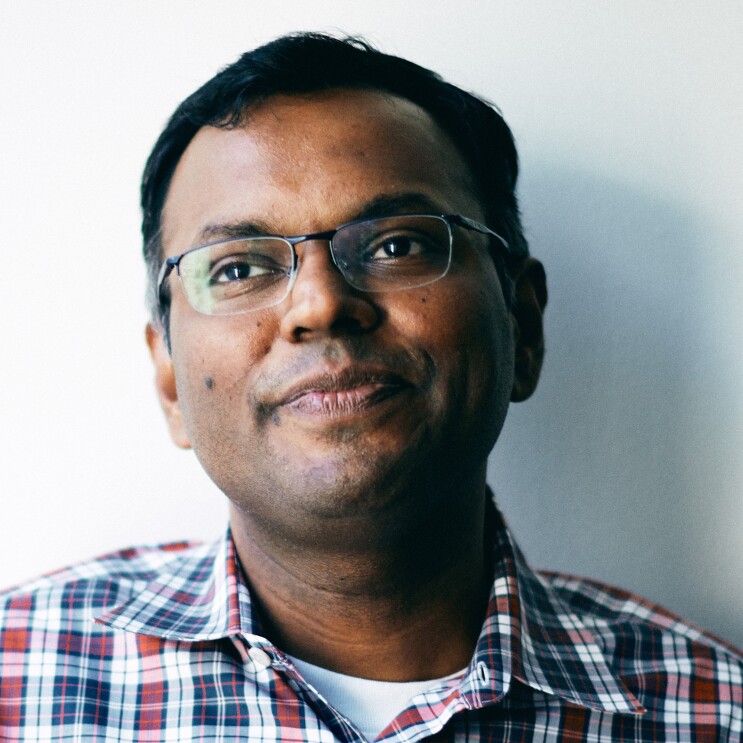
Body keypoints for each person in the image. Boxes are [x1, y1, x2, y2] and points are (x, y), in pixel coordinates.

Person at [0, 32, 741, 742]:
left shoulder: (712, 710)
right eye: (238, 267)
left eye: (397, 244)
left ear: (521, 325)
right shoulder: (17, 676)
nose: (321, 305)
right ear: (168, 377)